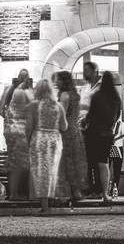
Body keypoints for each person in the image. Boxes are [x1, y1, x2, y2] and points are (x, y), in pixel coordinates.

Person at [26, 79, 67, 213]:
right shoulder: (58, 106)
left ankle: (44, 206)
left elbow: (29, 127)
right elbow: (64, 126)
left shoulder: (34, 105)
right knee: (52, 171)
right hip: (55, 140)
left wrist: (27, 141)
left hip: (39, 139)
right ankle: (51, 203)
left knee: (41, 172)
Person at [85, 71, 122, 205]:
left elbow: (90, 115)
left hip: (94, 134)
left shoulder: (97, 96)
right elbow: (118, 116)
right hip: (107, 135)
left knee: (91, 165)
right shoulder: (116, 99)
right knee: (104, 164)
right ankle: (105, 194)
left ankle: (94, 190)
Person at [54, 70, 86, 202]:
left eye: (58, 80)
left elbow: (60, 115)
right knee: (76, 160)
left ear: (63, 81)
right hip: (75, 130)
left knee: (67, 160)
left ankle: (69, 191)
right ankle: (76, 190)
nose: (56, 82)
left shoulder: (65, 95)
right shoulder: (75, 95)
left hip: (66, 131)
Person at [1, 73, 33, 200]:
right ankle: (17, 193)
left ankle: (13, 192)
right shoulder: (26, 92)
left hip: (10, 129)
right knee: (20, 165)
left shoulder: (11, 91)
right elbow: (32, 111)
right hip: (20, 131)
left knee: (13, 163)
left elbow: (2, 107)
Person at [78, 61, 101, 197]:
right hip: (82, 127)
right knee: (85, 160)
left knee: (96, 161)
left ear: (94, 71)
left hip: (95, 127)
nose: (84, 73)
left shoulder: (101, 87)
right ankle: (88, 187)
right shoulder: (85, 87)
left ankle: (97, 188)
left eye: (87, 71)